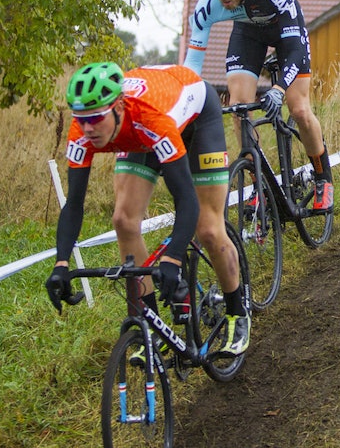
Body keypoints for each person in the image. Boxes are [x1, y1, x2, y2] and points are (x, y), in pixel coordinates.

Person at [45, 62, 250, 356]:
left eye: (95, 118)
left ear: (117, 107)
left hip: (195, 114)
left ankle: (236, 312)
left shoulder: (151, 117)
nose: (88, 127)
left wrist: (173, 258)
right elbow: (74, 204)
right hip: (140, 129)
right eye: (82, 118)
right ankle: (150, 327)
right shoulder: (82, 131)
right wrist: (61, 263)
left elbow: (185, 199)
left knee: (207, 226)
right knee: (124, 221)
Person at [184, 0, 334, 213]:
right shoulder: (208, 8)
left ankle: (323, 177)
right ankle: (260, 186)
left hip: (287, 35)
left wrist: (277, 89)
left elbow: (296, 49)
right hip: (248, 34)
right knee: (240, 109)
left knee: (298, 108)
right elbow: (191, 67)